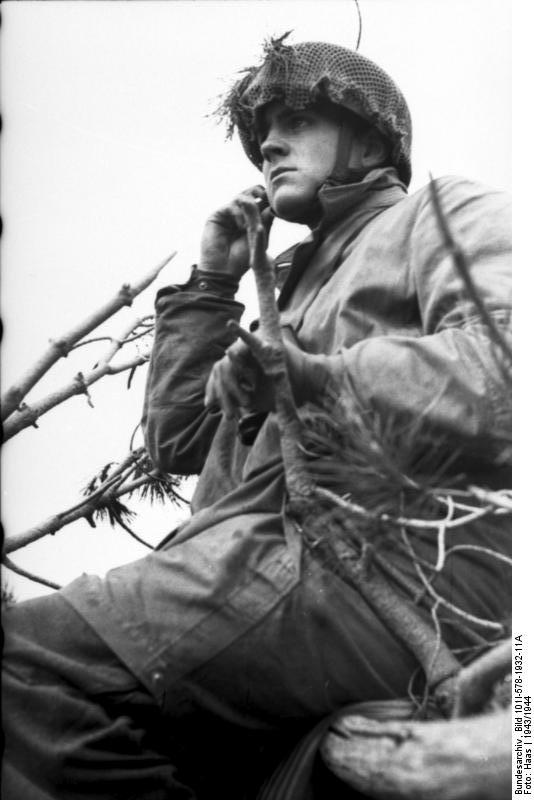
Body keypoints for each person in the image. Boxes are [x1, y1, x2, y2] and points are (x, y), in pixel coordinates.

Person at [2, 39, 511, 800]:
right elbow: (181, 441)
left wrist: (319, 379)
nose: (269, 143)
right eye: (262, 131)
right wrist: (214, 280)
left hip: (392, 570)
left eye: (298, 119)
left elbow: (506, 371)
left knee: (27, 662)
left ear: (371, 140)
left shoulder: (443, 213)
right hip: (274, 573)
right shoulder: (295, 282)